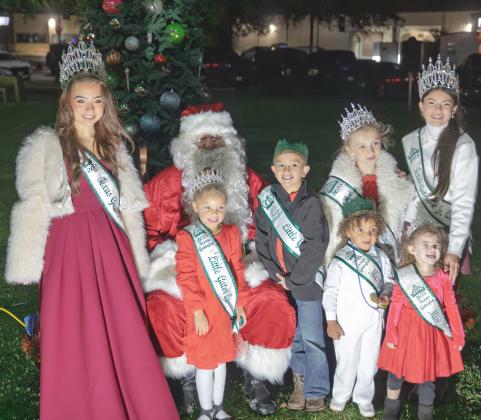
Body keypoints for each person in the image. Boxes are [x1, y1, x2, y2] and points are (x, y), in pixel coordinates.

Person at [4, 41, 178, 419]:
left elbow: (127, 206)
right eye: (81, 101)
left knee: (122, 329)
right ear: (67, 102)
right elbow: (34, 205)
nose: (89, 109)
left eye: (97, 101)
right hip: (69, 249)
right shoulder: (47, 146)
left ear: (106, 103)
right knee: (75, 331)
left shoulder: (114, 146)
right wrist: (28, 261)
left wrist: (136, 254)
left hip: (112, 248)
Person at [142, 103, 296, 416]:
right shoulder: (166, 183)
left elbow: (270, 226)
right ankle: (186, 376)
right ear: (188, 144)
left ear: (231, 143)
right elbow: (151, 233)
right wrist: (173, 260)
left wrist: (258, 255)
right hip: (182, 266)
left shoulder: (248, 180)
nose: (211, 146)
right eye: (204, 140)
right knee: (163, 307)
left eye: (217, 139)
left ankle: (257, 375)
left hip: (241, 262)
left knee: (270, 300)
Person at [255, 139, 330, 412]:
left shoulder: (311, 204)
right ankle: (300, 384)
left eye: (294, 165)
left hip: (307, 282)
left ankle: (317, 388)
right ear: (273, 169)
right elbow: (262, 239)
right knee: (295, 337)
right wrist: (276, 273)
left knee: (311, 337)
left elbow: (315, 245)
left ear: (305, 170)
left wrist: (294, 278)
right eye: (282, 166)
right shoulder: (267, 200)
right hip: (281, 281)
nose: (288, 171)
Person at [176, 168, 249, 420]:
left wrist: (239, 304)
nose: (214, 213)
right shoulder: (188, 238)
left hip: (224, 307)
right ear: (195, 206)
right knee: (205, 362)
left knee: (220, 360)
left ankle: (219, 408)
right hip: (203, 307)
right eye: (207, 208)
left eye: (219, 208)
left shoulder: (231, 233)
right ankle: (205, 410)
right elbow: (185, 276)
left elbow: (237, 269)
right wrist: (196, 311)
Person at [402, 55, 479, 284]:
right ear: (421, 107)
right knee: (410, 283)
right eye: (431, 103)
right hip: (414, 223)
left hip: (444, 229)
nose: (438, 109)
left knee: (438, 290)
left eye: (445, 104)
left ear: (454, 109)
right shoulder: (410, 140)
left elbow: (464, 201)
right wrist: (405, 179)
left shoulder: (464, 145)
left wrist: (454, 249)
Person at [378, 225, 465, 420]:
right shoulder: (404, 275)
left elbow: (451, 306)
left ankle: (425, 413)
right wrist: (391, 332)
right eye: (425, 245)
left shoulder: (443, 278)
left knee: (428, 374)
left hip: (430, 332)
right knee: (396, 371)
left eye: (436, 245)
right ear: (412, 249)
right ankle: (391, 409)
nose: (431, 249)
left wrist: (458, 335)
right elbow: (396, 306)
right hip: (405, 330)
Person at [322, 197, 394, 418]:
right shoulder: (340, 260)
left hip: (373, 321)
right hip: (346, 322)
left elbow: (390, 281)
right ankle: (340, 395)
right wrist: (331, 320)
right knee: (346, 361)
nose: (367, 235)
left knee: (369, 364)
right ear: (348, 232)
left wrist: (386, 295)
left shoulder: (381, 257)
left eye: (372, 230)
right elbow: (330, 292)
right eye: (360, 229)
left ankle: (363, 397)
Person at [320, 103, 415, 267]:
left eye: (375, 144)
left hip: (383, 247)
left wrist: (402, 183)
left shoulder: (392, 176)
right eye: (362, 146)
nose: (370, 151)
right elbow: (332, 228)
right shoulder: (339, 183)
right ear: (349, 150)